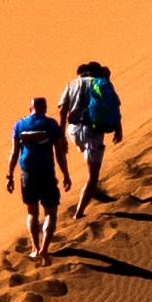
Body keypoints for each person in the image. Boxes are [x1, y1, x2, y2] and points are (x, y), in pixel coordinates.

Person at [57, 60, 124, 213]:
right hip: (92, 132)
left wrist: (61, 137)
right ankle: (79, 213)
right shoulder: (102, 83)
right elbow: (114, 106)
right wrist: (118, 128)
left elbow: (62, 111)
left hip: (73, 130)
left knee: (90, 160)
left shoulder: (71, 84)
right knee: (92, 176)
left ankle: (96, 190)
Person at [9, 93, 70, 255]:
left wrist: (9, 175)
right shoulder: (51, 124)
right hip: (47, 173)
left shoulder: (19, 125)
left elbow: (14, 153)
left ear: (30, 108)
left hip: (27, 173)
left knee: (32, 212)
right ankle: (45, 248)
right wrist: (66, 174)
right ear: (45, 109)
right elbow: (60, 152)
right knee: (50, 212)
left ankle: (35, 248)